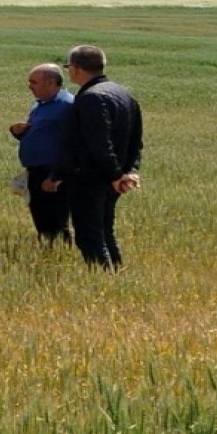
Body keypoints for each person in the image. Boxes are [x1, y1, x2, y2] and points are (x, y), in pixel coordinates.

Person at [45, 45, 143, 269]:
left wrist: (116, 174)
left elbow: (99, 142)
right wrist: (129, 171)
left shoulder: (91, 98)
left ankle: (104, 278)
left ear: (77, 69)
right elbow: (136, 140)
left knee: (89, 236)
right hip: (112, 180)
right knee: (105, 231)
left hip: (90, 179)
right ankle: (117, 274)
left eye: (69, 67)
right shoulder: (124, 93)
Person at [9, 63, 74, 244]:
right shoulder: (40, 105)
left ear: (51, 83)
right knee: (42, 220)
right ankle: (48, 253)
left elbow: (71, 145)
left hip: (53, 173)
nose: (30, 86)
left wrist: (56, 176)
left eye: (34, 82)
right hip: (35, 172)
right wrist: (17, 132)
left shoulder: (68, 106)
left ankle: (62, 256)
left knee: (57, 221)